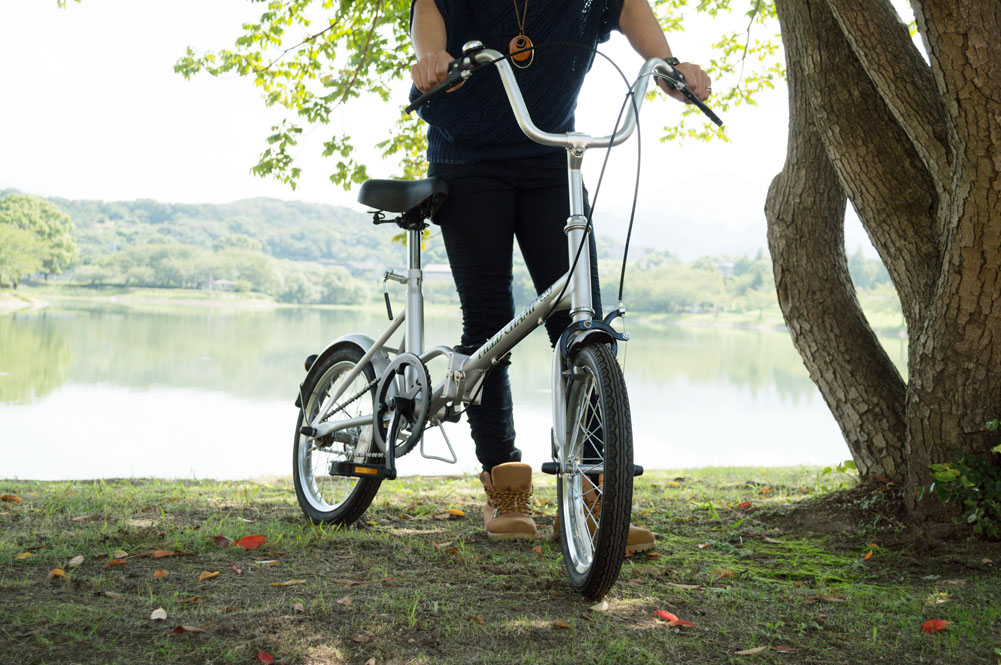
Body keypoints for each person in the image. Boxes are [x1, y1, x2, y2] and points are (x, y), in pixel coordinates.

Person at [409, 0, 711, 549]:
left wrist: (669, 65)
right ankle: (503, 482)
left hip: (551, 153)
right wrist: (432, 56)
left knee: (579, 318)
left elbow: (627, 8)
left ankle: (591, 491)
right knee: (489, 321)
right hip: (469, 156)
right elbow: (430, 9)